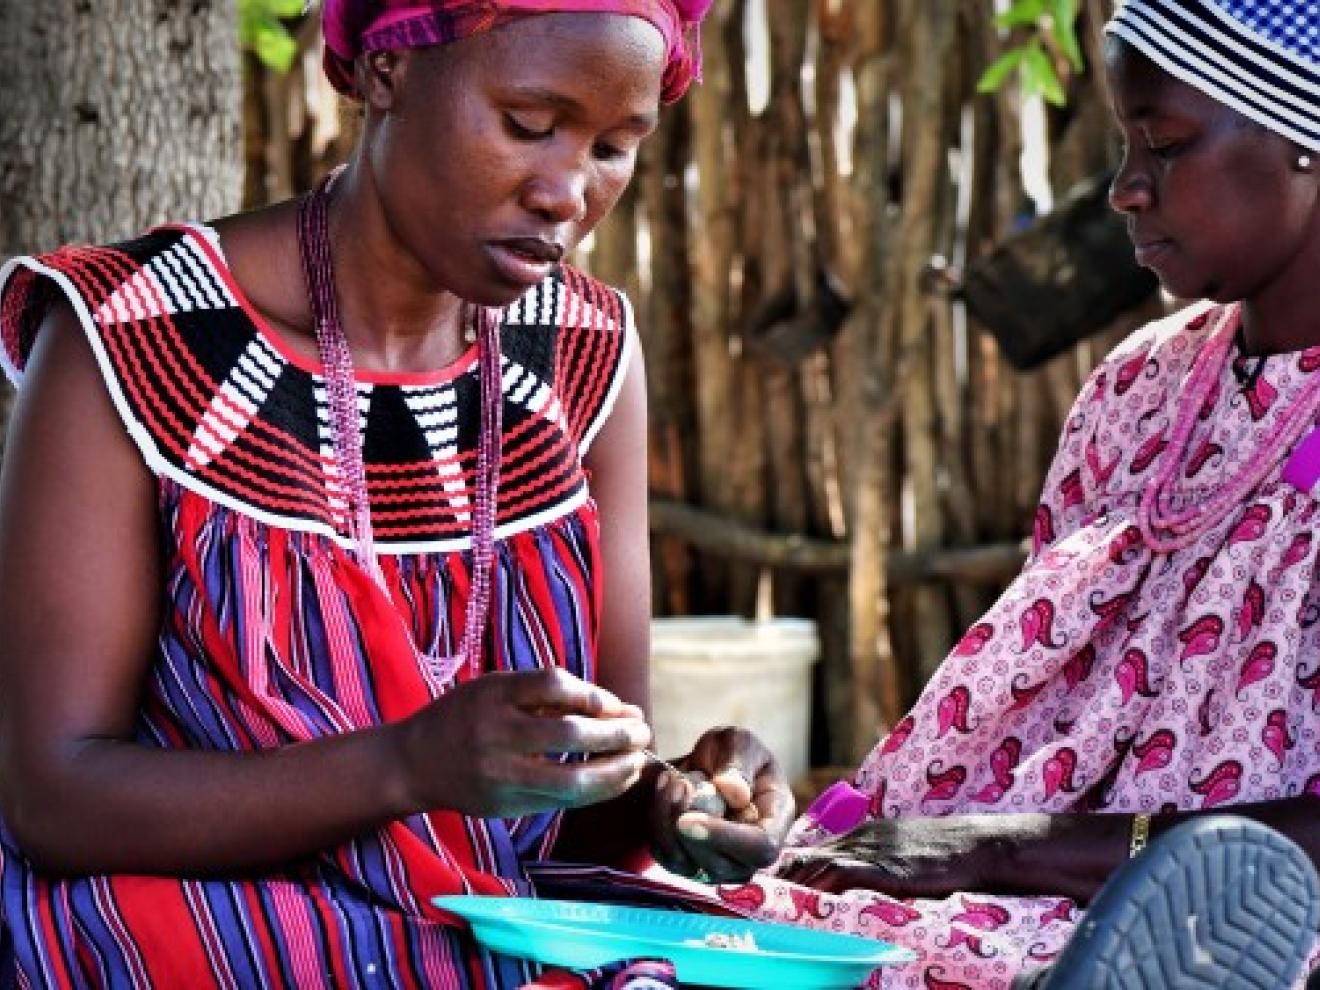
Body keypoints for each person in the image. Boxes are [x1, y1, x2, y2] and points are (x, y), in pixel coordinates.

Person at [0, 2, 795, 987]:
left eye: (614, 146)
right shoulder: (133, 344)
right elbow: (53, 797)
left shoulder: (580, 360)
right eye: (529, 124)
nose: (567, 192)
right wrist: (407, 766)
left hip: (488, 932)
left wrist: (682, 801)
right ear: (386, 70)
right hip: (208, 926)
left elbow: (585, 814)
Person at [693, 1, 1320, 988]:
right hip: (1031, 879)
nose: (1124, 190)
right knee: (718, 950)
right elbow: (1046, 706)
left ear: (1303, 144)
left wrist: (1002, 849)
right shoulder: (1136, 389)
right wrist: (948, 847)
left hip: (1246, 916)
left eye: (1165, 145)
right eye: (1125, 146)